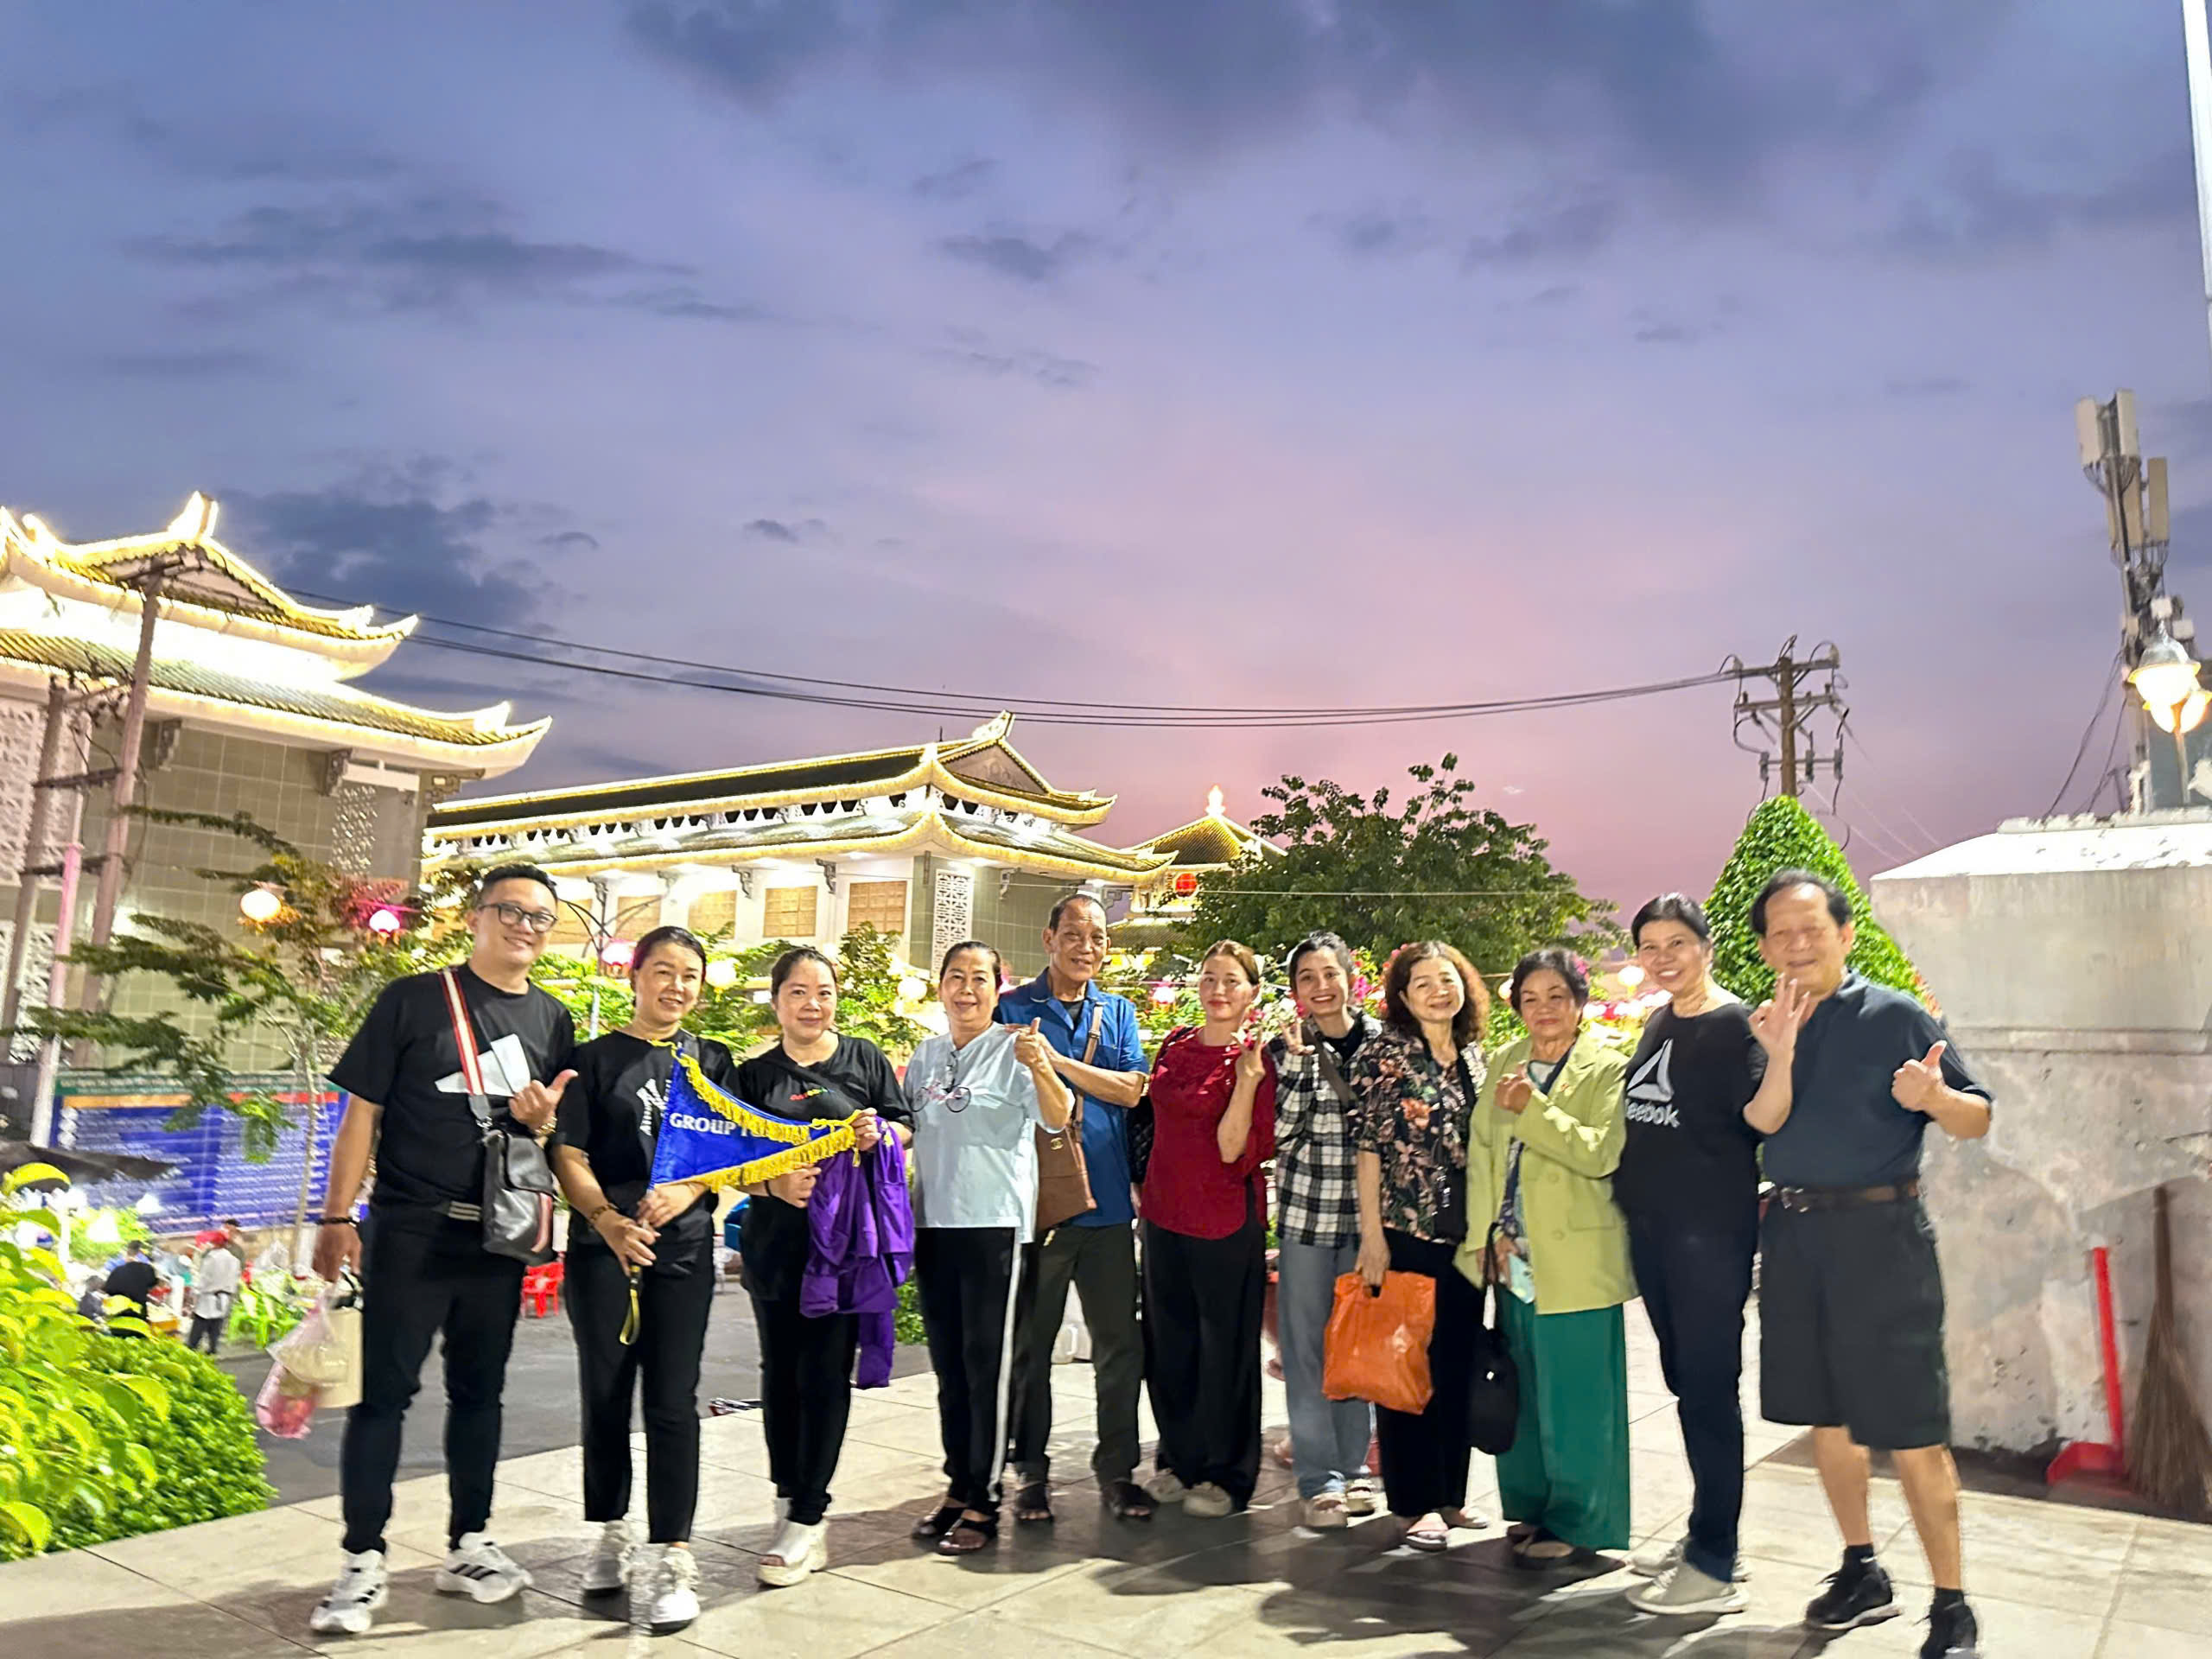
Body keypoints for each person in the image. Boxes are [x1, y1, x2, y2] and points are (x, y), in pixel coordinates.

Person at [308, 863, 579, 1638]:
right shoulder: (413, 999)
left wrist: (543, 1122)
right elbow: (361, 1115)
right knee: (382, 1398)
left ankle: (470, 1545)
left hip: (495, 1235)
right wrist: (337, 1215)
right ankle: (361, 1560)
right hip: (410, 1228)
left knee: (481, 1395)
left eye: (540, 918)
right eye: (511, 911)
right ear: (474, 917)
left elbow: (552, 1135)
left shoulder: (553, 1019)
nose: (525, 927)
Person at [1744, 870, 1993, 1659]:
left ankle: (1952, 1604)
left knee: (1912, 1427)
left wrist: (1935, 1099)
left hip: (1883, 1239)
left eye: (1812, 929)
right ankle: (1862, 1568)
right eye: (1781, 933)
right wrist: (1780, 1052)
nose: (1797, 944)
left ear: (1845, 935)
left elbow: (1977, 1117)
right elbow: (1764, 1123)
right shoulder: (1764, 1023)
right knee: (1829, 1418)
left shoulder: (1894, 1015)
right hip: (1794, 1237)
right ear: (1765, 948)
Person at [550, 925, 738, 1637]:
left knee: (672, 1401)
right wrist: (605, 1220)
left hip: (682, 1250)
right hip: (604, 1249)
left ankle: (673, 1555)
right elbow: (568, 1153)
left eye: (690, 975)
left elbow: (734, 1150)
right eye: (663, 971)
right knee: (604, 1395)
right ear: (635, 977)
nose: (677, 986)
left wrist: (689, 1192)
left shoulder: (711, 1059)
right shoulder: (592, 1060)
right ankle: (609, 1531)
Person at [1616, 894, 1783, 1615]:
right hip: (1656, 1234)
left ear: (1706, 947)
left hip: (1709, 1237)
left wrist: (1783, 1054)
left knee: (1710, 1389)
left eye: (1677, 943)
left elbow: (1764, 1119)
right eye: (1650, 946)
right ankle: (1709, 1532)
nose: (1663, 958)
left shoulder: (1735, 1027)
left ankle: (1715, 1563)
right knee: (1687, 1383)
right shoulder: (1661, 1020)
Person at [734, 946, 904, 1588]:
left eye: (824, 992)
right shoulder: (753, 1076)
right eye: (798, 992)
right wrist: (772, 1184)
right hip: (775, 1247)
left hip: (845, 1250)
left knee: (826, 1374)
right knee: (779, 1375)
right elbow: (728, 1161)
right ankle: (787, 1497)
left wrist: (880, 1135)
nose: (813, 1004)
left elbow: (903, 1125)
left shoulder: (863, 1059)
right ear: (777, 1000)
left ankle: (810, 1513)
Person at [1464, 948, 1632, 1567]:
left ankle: (1581, 1520)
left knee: (1580, 1397)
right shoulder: (1506, 1060)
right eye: (1530, 999)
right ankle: (1531, 1505)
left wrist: (1533, 1109)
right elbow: (1483, 1152)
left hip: (1576, 1257)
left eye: (1556, 996)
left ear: (1580, 1003)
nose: (1543, 1010)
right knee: (1524, 1389)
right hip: (1513, 1256)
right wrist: (1487, 1234)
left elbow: (1600, 1152)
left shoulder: (1608, 1068)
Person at [903, 940, 1073, 1554]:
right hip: (934, 1225)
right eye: (956, 977)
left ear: (998, 988)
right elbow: (906, 1129)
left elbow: (1058, 1117)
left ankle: (985, 1499)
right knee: (950, 1368)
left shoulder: (1015, 1047)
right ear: (940, 986)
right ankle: (958, 1485)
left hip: (996, 1227)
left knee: (989, 1369)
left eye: (980, 978)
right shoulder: (925, 1056)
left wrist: (1041, 1067)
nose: (967, 989)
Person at [1000, 893, 1154, 1523]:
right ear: (1049, 938)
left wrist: (1056, 1063)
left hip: (1109, 1206)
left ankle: (1117, 1471)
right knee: (1031, 1348)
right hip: (1038, 1207)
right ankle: (1031, 1474)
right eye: (1073, 934)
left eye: (1096, 937)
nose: (1085, 947)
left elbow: (1133, 1089)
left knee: (1119, 1346)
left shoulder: (1118, 1012)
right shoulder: (1012, 1009)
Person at [1348, 940, 1489, 1551]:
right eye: (1424, 982)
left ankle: (1450, 1494)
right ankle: (1413, 1502)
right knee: (1407, 1369)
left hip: (1465, 1238)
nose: (1439, 991)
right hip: (1406, 1233)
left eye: (1447, 979)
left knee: (1455, 1366)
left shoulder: (1474, 1056)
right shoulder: (1385, 1055)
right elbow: (1368, 1148)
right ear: (1403, 997)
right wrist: (1372, 1237)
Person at [1141, 940, 1277, 1518]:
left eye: (1231, 980)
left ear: (1252, 993)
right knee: (1169, 1346)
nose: (1218, 990)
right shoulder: (1175, 1043)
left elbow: (1230, 1148)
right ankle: (1178, 1459)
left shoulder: (1258, 1061)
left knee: (1227, 1351)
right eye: (1209, 978)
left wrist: (1245, 1081)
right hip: (1163, 1215)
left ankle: (1227, 1474)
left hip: (1224, 1221)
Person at [1267, 931, 1380, 1529]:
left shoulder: (1385, 1043)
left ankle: (1355, 1468)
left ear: (1350, 977)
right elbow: (1283, 1135)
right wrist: (1297, 1068)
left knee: (1357, 1348)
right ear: (1296, 990)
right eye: (1307, 977)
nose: (1321, 986)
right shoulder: (1285, 1049)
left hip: (1369, 1225)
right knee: (1307, 1351)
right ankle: (1319, 1481)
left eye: (1330, 973)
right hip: (1307, 1219)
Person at [188, 1232, 244, 1354]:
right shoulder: (234, 1260)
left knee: (200, 1322)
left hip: (209, 1296)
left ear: (216, 1244)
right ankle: (212, 1348)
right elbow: (235, 1279)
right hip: (224, 1296)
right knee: (216, 1324)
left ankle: (192, 1346)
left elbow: (205, 1278)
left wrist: (195, 1291)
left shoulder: (212, 1258)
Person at [102, 1241, 158, 1333]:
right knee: (138, 1335)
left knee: (120, 1335)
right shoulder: (148, 1269)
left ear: (126, 1253)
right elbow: (153, 1284)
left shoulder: (118, 1271)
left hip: (120, 1311)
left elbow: (108, 1289)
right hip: (139, 1311)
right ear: (140, 1252)